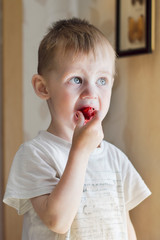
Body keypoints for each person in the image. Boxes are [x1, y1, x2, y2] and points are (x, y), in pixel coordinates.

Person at [3, 18, 151, 240]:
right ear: (43, 88)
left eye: (102, 80)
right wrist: (80, 151)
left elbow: (125, 225)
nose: (91, 92)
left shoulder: (115, 158)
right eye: (76, 79)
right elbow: (58, 221)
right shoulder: (35, 154)